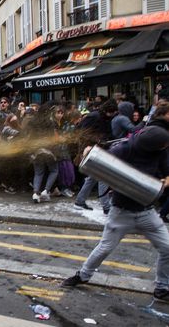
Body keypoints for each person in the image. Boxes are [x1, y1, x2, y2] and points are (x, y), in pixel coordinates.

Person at [61, 126, 169, 302]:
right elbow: (96, 161)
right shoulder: (125, 149)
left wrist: (163, 183)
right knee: (105, 248)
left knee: (167, 248)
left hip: (147, 212)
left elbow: (167, 172)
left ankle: (162, 288)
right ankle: (82, 275)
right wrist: (87, 153)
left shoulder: (161, 151)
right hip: (121, 212)